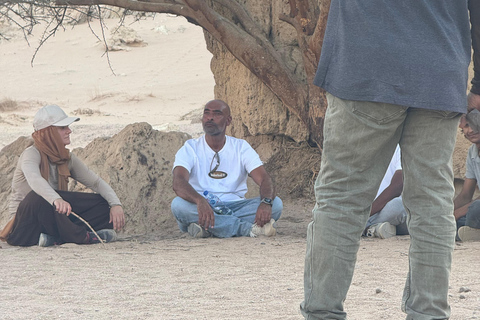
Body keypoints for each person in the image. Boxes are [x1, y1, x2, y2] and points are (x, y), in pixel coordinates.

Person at [301, 2, 480, 320]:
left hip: (365, 66)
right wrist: (479, 85)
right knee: (432, 203)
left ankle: (322, 311)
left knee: (342, 197)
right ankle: (428, 312)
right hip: (439, 74)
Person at [3, 104, 125, 247]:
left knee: (103, 204)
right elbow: (34, 179)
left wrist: (115, 204)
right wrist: (56, 199)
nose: (69, 131)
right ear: (48, 132)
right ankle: (83, 237)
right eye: (63, 128)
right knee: (38, 197)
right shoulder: (31, 154)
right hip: (24, 228)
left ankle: (54, 239)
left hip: (54, 219)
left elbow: (96, 182)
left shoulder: (66, 158)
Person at [171, 99, 282, 238]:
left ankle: (208, 229)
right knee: (178, 206)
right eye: (207, 113)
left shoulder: (241, 147)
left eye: (217, 114)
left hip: (235, 206)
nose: (210, 117)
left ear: (228, 120)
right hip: (201, 207)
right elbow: (178, 182)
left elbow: (264, 178)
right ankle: (248, 229)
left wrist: (266, 202)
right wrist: (200, 201)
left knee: (276, 204)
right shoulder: (190, 148)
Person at [363, 145, 408, 239]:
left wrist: (365, 214)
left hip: (385, 209)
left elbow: (398, 186)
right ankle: (374, 229)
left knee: (398, 206)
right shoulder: (362, 145)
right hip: (369, 211)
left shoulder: (401, 147)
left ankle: (364, 227)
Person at [453, 112, 480, 242]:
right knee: (445, 222)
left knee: (475, 209)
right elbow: (465, 195)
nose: (470, 130)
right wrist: (445, 215)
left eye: (472, 125)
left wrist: (456, 214)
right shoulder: (472, 152)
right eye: (466, 126)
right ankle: (470, 232)